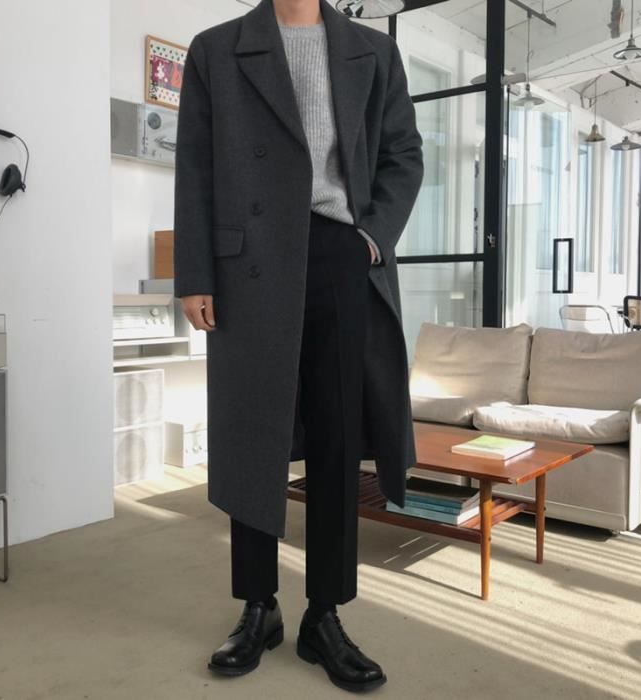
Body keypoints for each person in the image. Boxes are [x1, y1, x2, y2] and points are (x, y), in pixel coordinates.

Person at [174, 0, 423, 692]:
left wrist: (371, 238)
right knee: (253, 435)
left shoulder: (373, 50)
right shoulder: (216, 48)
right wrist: (194, 274)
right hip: (249, 266)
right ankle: (259, 608)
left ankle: (324, 615)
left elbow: (404, 154)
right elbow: (194, 164)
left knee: (338, 441)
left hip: (341, 256)